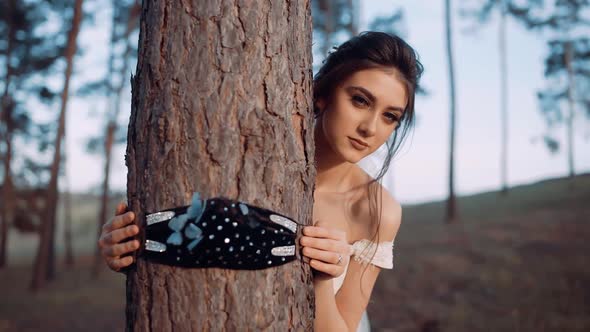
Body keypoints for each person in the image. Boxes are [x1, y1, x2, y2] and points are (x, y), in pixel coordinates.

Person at [99, 31, 423, 331]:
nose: (370, 127)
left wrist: (324, 279)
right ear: (323, 94)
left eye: (390, 116)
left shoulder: (377, 210)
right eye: (360, 100)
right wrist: (129, 244)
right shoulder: (248, 160)